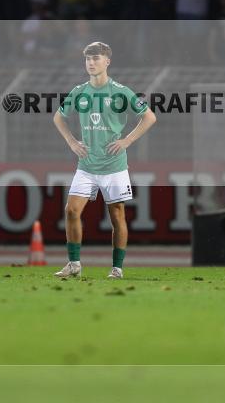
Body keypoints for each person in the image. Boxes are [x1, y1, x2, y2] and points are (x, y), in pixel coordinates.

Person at [53, 42, 157, 280]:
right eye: (88, 59)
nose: (91, 62)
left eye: (96, 58)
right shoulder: (79, 91)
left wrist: (127, 141)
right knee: (71, 210)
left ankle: (117, 268)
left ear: (107, 61)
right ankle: (74, 263)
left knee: (117, 216)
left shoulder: (120, 91)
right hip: (87, 165)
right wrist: (71, 142)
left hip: (113, 166)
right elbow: (59, 117)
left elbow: (149, 117)